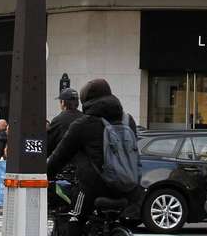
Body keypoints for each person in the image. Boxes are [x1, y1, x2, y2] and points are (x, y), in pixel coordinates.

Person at [46, 78, 138, 236]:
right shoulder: (128, 120)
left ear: (86, 101)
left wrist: (43, 174)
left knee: (74, 220)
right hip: (128, 188)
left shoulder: (83, 124)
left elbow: (58, 157)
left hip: (93, 189)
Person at [48, 88, 83, 155]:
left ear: (63, 102)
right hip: (85, 163)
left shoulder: (58, 120)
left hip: (65, 163)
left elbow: (49, 146)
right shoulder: (85, 117)